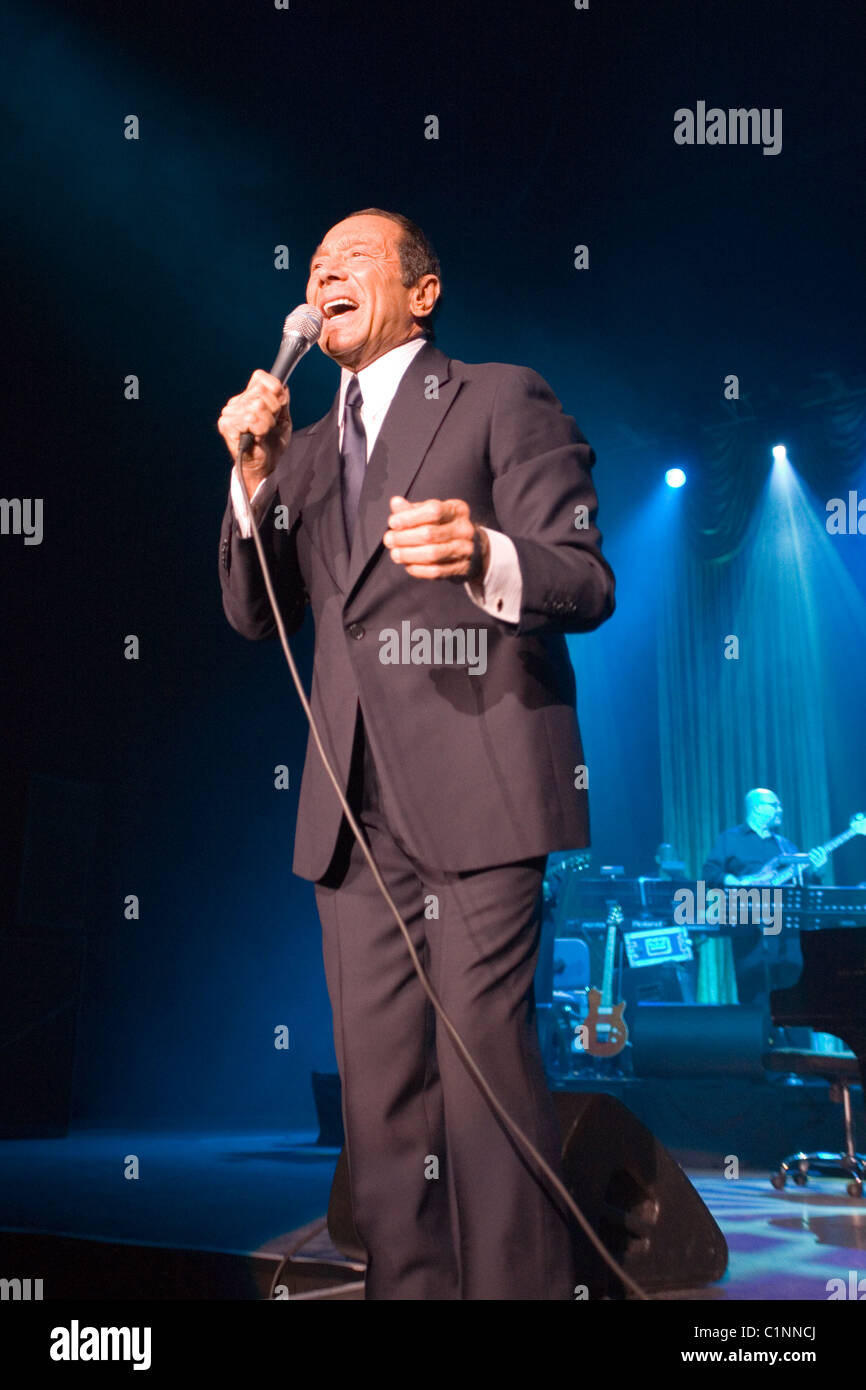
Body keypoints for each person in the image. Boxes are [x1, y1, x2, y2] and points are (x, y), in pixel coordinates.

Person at [217, 209, 616, 1300]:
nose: (322, 274)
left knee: (484, 1071)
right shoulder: (299, 452)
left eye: (351, 259)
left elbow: (584, 576)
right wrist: (251, 478)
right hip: (350, 814)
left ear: (422, 293)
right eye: (311, 265)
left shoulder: (498, 396)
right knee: (380, 1097)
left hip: (483, 785)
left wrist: (483, 550)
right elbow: (256, 615)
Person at [702, 788, 826, 1003]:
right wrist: (740, 882)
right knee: (754, 995)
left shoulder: (785, 845)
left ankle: (793, 1036)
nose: (780, 809)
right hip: (748, 925)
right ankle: (760, 1035)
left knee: (794, 991)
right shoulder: (729, 839)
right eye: (774, 805)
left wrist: (817, 870)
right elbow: (710, 873)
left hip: (786, 929)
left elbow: (803, 885)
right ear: (758, 808)